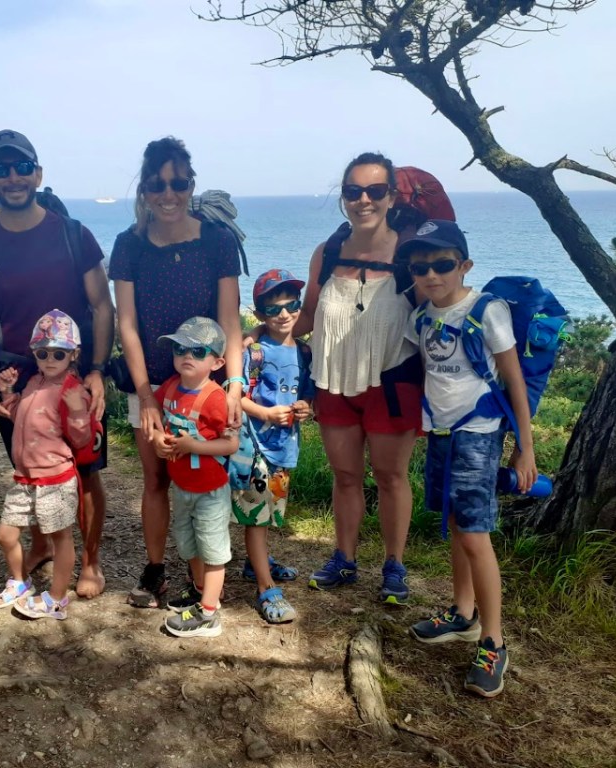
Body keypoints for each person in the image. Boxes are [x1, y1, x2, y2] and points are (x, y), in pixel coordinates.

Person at [0, 129, 114, 599]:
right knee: (32, 467)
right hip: (16, 376)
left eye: (22, 167)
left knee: (85, 472)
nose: (13, 177)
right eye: (1, 170)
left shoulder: (73, 235)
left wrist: (98, 370)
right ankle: (43, 544)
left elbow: (102, 306)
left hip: (74, 375)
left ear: (38, 174)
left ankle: (91, 563)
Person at [401, 220, 536, 698]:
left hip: (479, 436)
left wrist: (525, 447)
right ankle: (462, 612)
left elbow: (514, 380)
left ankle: (493, 641)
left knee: (475, 535)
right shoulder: (421, 316)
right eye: (420, 267)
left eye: (442, 264)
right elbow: (432, 375)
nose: (431, 275)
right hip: (442, 435)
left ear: (464, 266)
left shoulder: (486, 310)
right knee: (457, 525)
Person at [108, 137, 245, 609]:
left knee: (202, 477)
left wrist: (234, 384)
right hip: (151, 383)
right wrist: (146, 396)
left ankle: (203, 575)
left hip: (206, 384)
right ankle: (155, 570)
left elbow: (230, 319)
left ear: (191, 185)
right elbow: (127, 325)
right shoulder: (129, 245)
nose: (168, 194)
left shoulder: (217, 240)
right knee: (156, 479)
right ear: (144, 189)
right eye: (157, 184)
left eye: (179, 183)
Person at [290, 152, 423, 604]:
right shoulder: (327, 253)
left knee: (391, 476)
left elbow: (435, 312)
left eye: (375, 190)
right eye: (353, 191)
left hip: (393, 381)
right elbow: (308, 315)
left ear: (391, 196)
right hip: (334, 380)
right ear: (343, 197)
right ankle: (344, 558)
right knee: (345, 475)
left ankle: (394, 565)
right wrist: (257, 335)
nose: (363, 199)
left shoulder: (410, 255)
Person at [0, 310, 96, 621]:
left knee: (61, 538)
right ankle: (20, 581)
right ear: (34, 353)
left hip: (56, 480)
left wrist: (78, 411)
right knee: (5, 534)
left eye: (59, 353)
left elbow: (82, 438)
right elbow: (18, 416)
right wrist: (9, 392)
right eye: (42, 352)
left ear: (73, 355)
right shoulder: (34, 381)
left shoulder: (73, 390)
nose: (50, 359)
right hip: (24, 478)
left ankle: (57, 598)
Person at [232, 269, 315, 624]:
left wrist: (306, 408)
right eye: (273, 308)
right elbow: (234, 395)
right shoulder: (254, 352)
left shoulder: (305, 352)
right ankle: (265, 587)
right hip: (255, 449)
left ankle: (257, 563)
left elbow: (307, 395)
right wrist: (265, 412)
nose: (283, 314)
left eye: (291, 305)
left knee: (270, 510)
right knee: (256, 517)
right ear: (259, 314)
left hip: (284, 449)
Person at [149, 317, 239, 638]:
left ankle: (209, 614)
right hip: (182, 487)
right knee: (190, 546)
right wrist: (158, 439)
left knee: (213, 551)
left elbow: (231, 444)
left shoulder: (215, 398)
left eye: (198, 351)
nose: (187, 356)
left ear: (217, 363)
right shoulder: (171, 387)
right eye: (180, 348)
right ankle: (201, 591)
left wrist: (193, 446)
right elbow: (157, 417)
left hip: (210, 491)